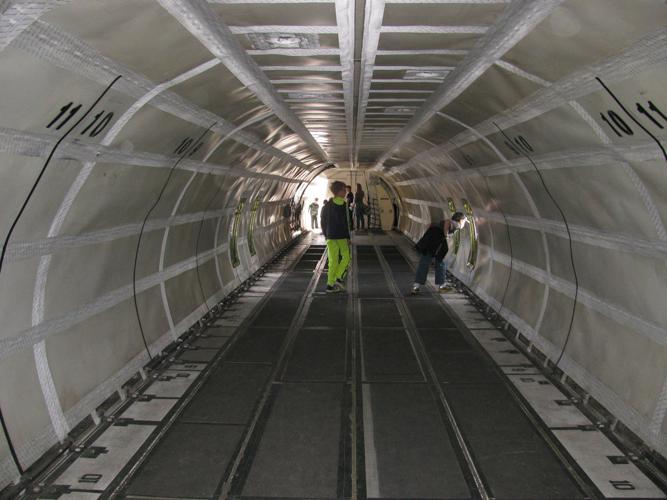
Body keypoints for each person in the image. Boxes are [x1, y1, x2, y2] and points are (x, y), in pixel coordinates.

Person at [411, 212, 467, 294]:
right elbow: (448, 222)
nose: (464, 223)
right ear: (460, 220)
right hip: (437, 238)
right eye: (464, 221)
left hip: (431, 237)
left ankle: (416, 286)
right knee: (440, 261)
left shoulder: (449, 224)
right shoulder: (455, 223)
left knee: (425, 261)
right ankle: (441, 286)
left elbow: (431, 224)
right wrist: (445, 234)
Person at [320, 181, 351, 293]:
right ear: (339, 191)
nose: (346, 192)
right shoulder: (344, 204)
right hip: (341, 236)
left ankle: (330, 285)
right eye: (344, 190)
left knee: (332, 261)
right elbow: (346, 222)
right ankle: (338, 277)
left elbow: (323, 221)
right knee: (346, 257)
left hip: (330, 236)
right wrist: (348, 237)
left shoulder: (327, 205)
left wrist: (326, 234)